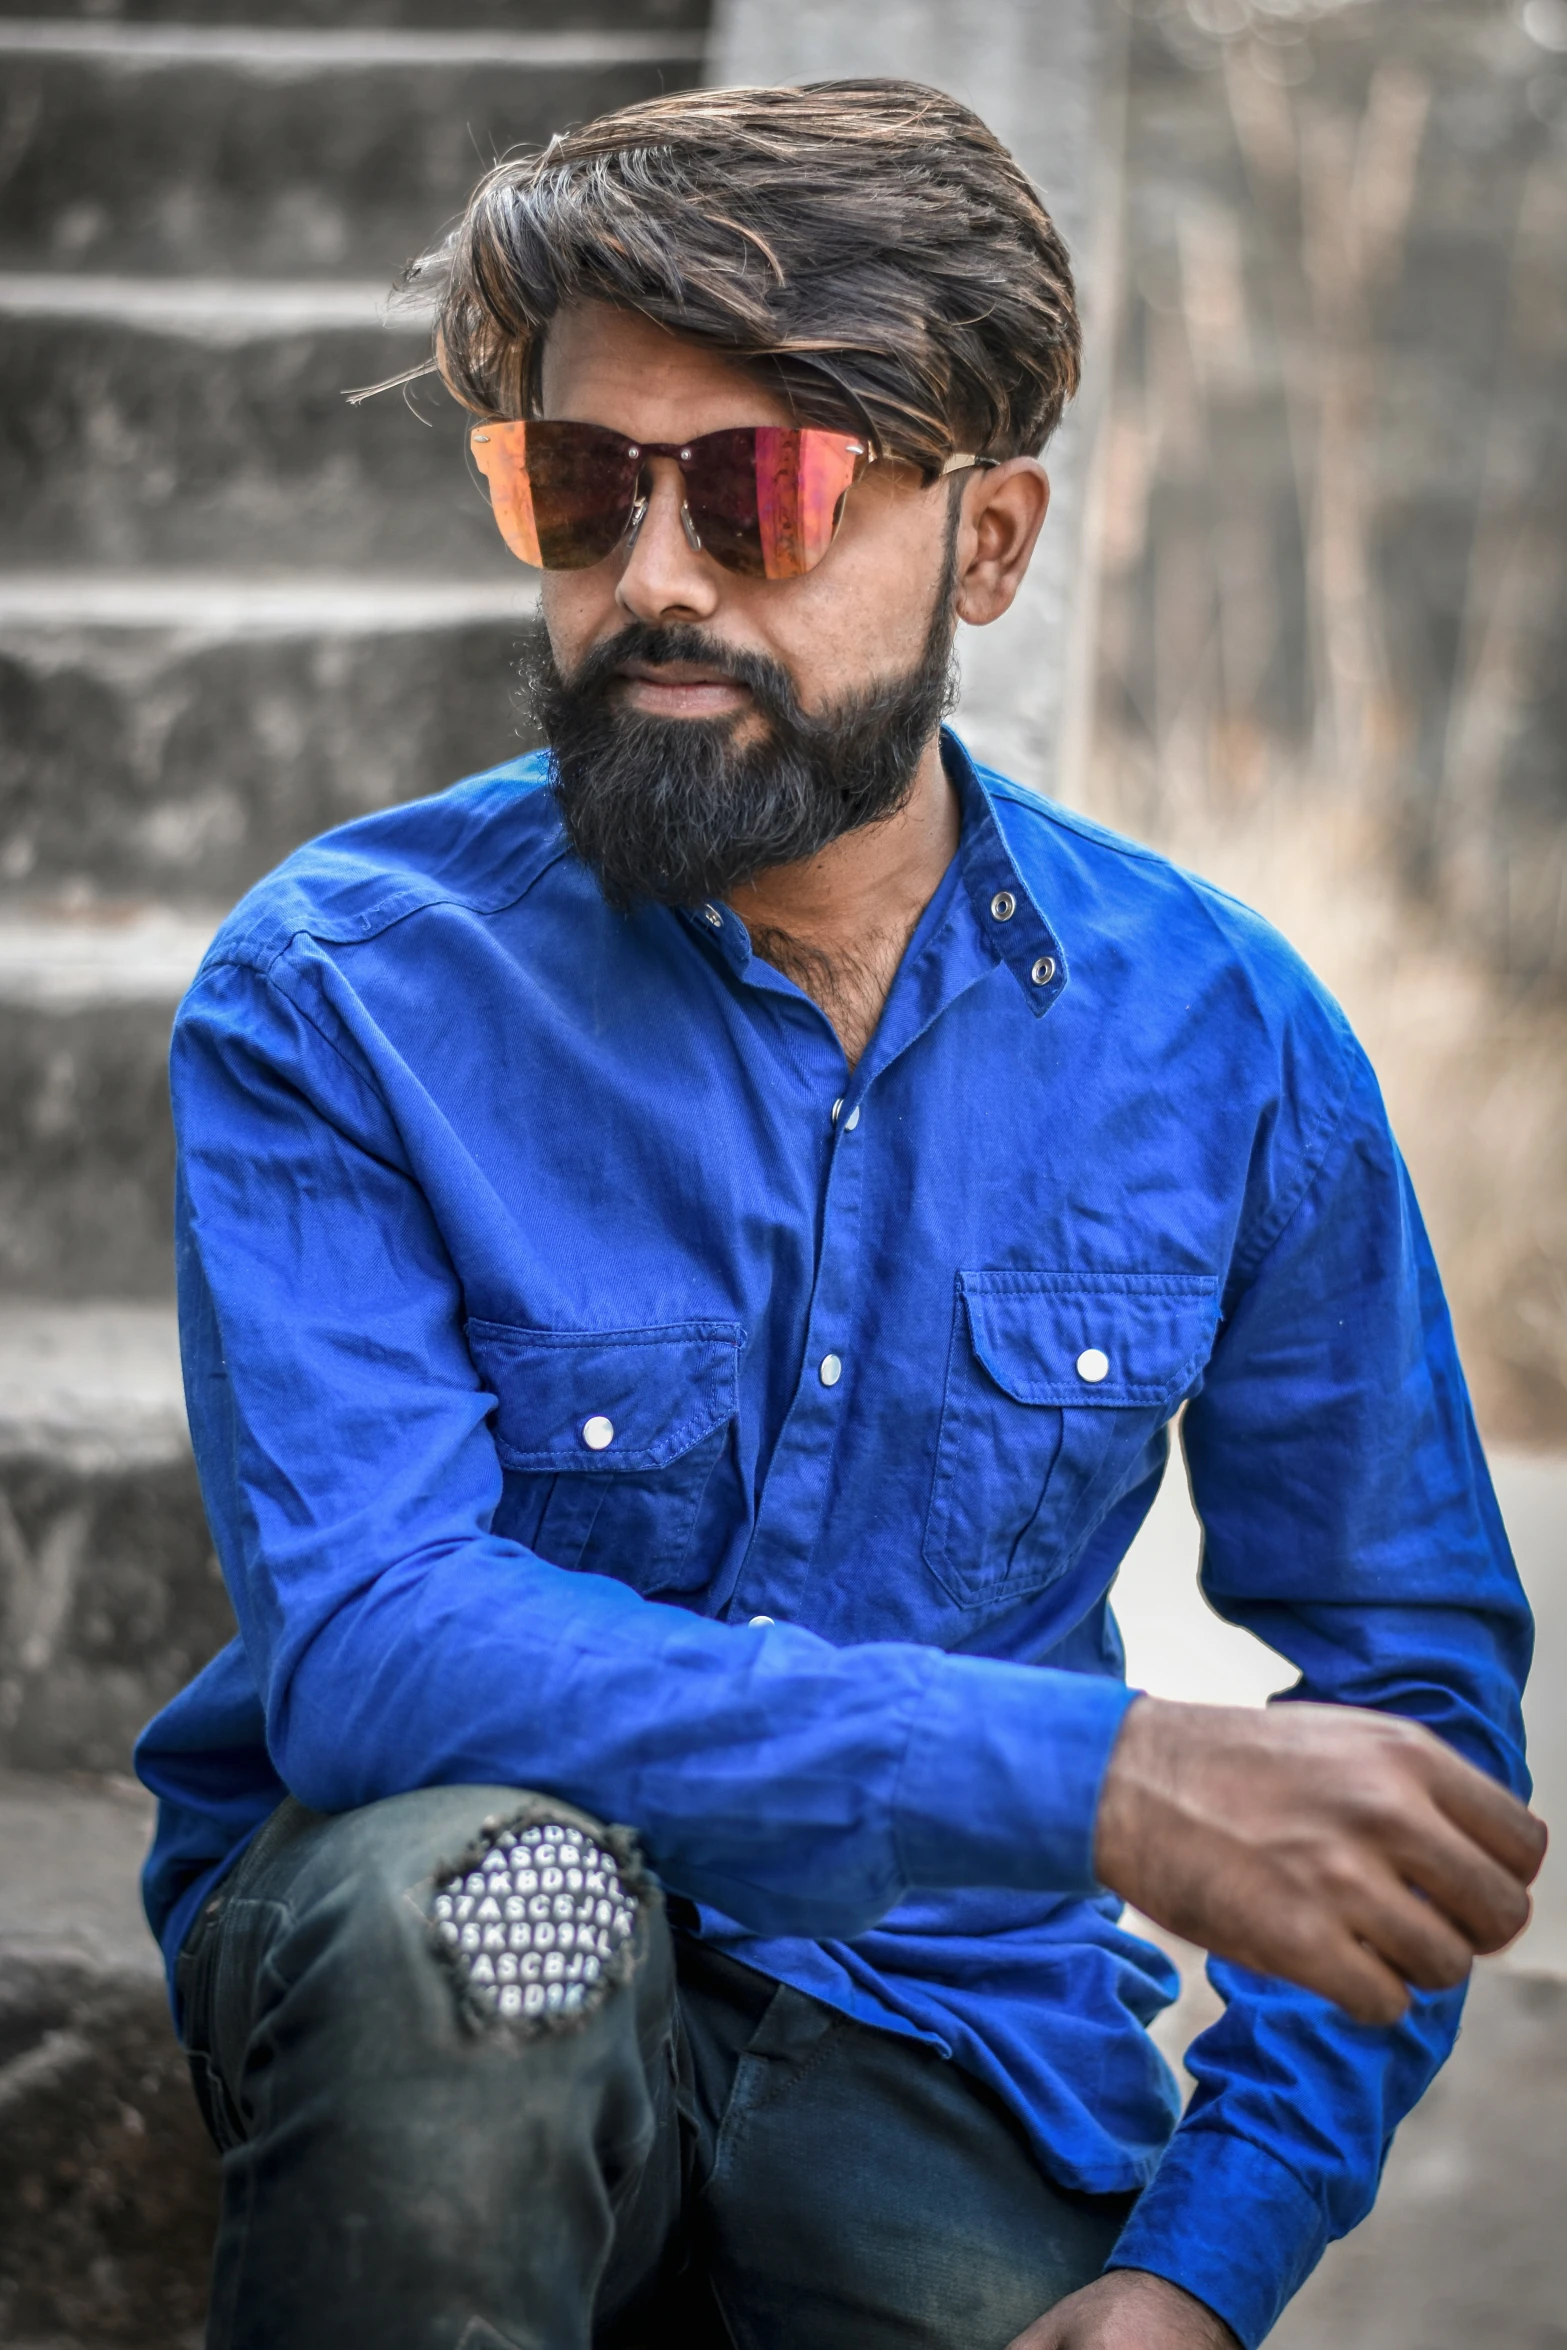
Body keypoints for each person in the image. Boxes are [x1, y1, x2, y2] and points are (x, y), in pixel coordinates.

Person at [136, 79, 1545, 2350]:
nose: (656, 579)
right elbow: (381, 1634)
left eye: (764, 492)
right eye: (582, 488)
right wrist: (1087, 1771)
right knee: (480, 1903)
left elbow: (1415, 1698)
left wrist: (1210, 2256)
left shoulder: (1226, 1042)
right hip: (440, 1953)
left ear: (990, 547)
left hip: (943, 2034)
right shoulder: (344, 988)